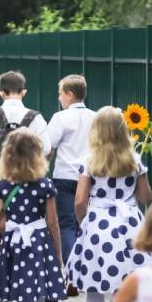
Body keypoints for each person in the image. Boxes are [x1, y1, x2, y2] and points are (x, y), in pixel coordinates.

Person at [65, 107, 152, 302]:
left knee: (94, 285)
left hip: (98, 225)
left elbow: (80, 200)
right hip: (129, 226)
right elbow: (145, 196)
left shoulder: (90, 161)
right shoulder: (135, 160)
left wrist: (84, 221)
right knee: (123, 286)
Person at [0, 129, 66, 302]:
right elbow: (53, 222)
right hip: (38, 243)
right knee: (37, 298)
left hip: (14, 245)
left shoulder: (3, 187)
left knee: (19, 300)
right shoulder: (45, 185)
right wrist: (58, 252)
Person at [0, 70, 46, 235]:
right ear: (24, 92)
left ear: (1, 93)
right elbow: (46, 148)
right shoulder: (35, 117)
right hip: (29, 183)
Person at [40, 74, 96, 257]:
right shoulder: (95, 118)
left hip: (64, 177)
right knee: (87, 222)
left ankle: (71, 273)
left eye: (60, 93)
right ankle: (87, 265)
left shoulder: (60, 118)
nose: (59, 97)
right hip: (89, 177)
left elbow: (47, 146)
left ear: (69, 95)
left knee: (67, 225)